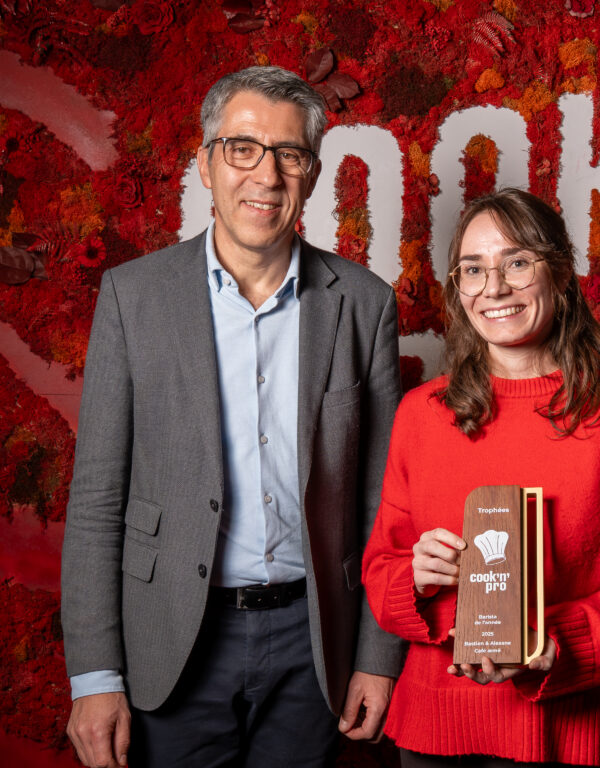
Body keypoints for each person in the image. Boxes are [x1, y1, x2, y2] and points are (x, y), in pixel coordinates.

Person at [61, 65, 404, 768]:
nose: (266, 176)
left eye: (289, 154)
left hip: (313, 643)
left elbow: (382, 504)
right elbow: (97, 499)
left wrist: (378, 657)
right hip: (176, 642)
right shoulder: (134, 297)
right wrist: (94, 676)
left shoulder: (364, 304)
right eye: (243, 149)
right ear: (206, 163)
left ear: (310, 174)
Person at [361, 188, 600, 767]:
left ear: (559, 274)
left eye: (517, 263)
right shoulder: (422, 414)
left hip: (575, 735)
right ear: (458, 288)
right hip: (436, 733)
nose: (495, 287)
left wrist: (558, 641)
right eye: (473, 269)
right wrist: (417, 579)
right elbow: (381, 568)